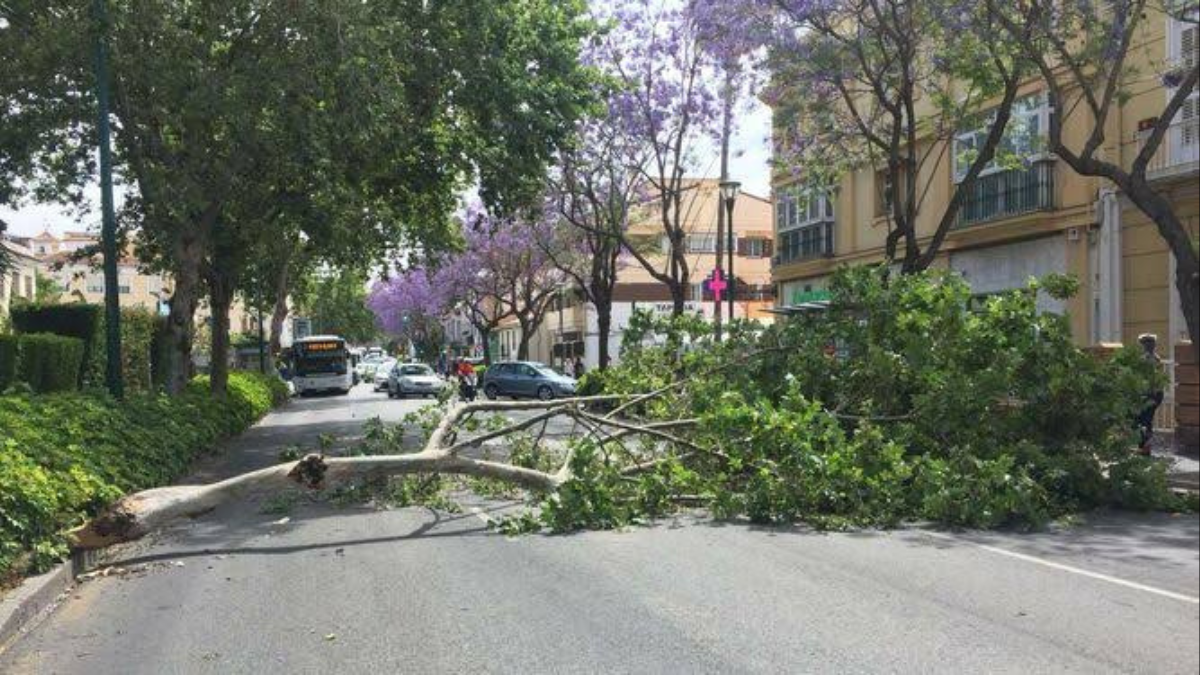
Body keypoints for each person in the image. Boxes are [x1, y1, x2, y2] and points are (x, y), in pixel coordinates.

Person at [1134, 333, 1164, 456]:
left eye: (1148, 343)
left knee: (1142, 420)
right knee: (1146, 420)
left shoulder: (1146, 359)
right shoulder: (1157, 358)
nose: (1147, 345)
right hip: (1155, 394)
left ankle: (1144, 447)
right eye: (1146, 343)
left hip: (1149, 394)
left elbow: (1145, 378)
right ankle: (1145, 447)